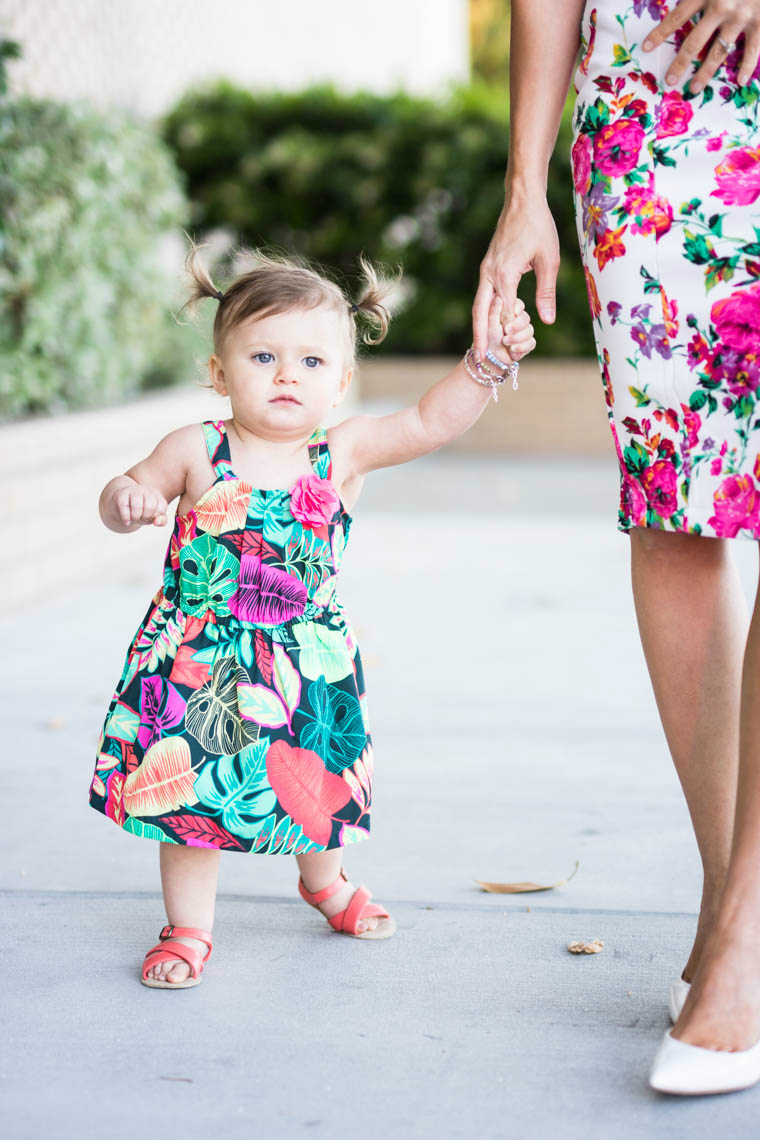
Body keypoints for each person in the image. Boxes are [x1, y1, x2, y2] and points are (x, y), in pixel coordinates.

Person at [89, 245, 535, 989]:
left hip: (305, 664)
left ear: (342, 383)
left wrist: (482, 364)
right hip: (197, 662)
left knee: (314, 784)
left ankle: (324, 883)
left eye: (311, 362)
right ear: (220, 373)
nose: (287, 374)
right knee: (190, 798)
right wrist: (125, 499)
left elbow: (428, 422)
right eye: (263, 356)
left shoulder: (341, 453)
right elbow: (125, 488)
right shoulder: (196, 450)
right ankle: (188, 929)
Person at [474, 0, 760, 1096]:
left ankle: (739, 940)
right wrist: (523, 189)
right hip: (652, 104)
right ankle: (729, 902)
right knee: (676, 507)